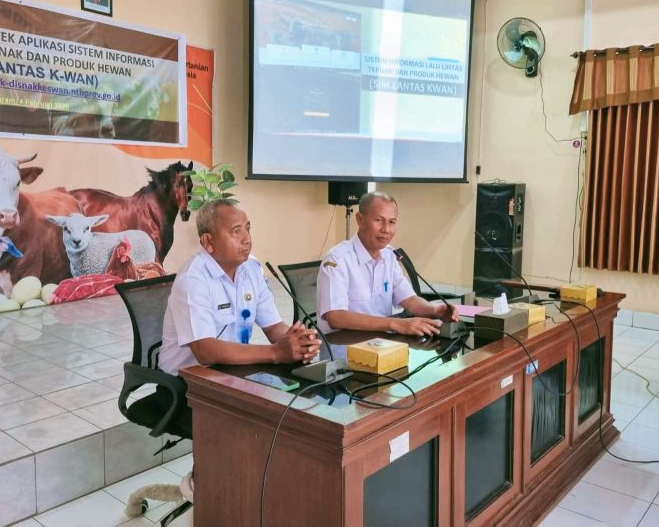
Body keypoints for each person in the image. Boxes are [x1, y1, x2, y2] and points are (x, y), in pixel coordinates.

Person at [160, 198, 321, 505]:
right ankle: (221, 500)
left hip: (232, 373)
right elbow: (205, 351)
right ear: (208, 241)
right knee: (257, 421)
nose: (247, 238)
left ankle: (255, 498)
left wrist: (297, 341)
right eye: (236, 231)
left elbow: (274, 326)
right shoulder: (194, 278)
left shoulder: (251, 269)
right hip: (185, 383)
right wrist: (276, 353)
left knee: (294, 405)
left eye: (248, 229)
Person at [317, 191, 459, 337]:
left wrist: (434, 310)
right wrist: (394, 323)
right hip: (343, 349)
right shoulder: (337, 259)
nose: (386, 229)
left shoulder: (390, 255)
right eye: (379, 220)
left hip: (382, 345)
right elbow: (336, 317)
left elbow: (408, 299)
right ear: (360, 219)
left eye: (392, 222)